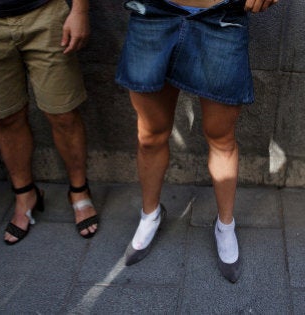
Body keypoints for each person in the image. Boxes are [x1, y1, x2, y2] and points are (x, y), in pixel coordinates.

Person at [116, 0, 278, 283]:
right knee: (150, 136)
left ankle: (225, 225)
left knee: (221, 137)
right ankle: (150, 215)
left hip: (221, 16)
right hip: (152, 13)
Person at [0, 0, 99, 244]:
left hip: (44, 12)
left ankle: (80, 192)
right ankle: (25, 194)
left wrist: (80, 10)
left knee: (63, 113)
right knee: (6, 117)